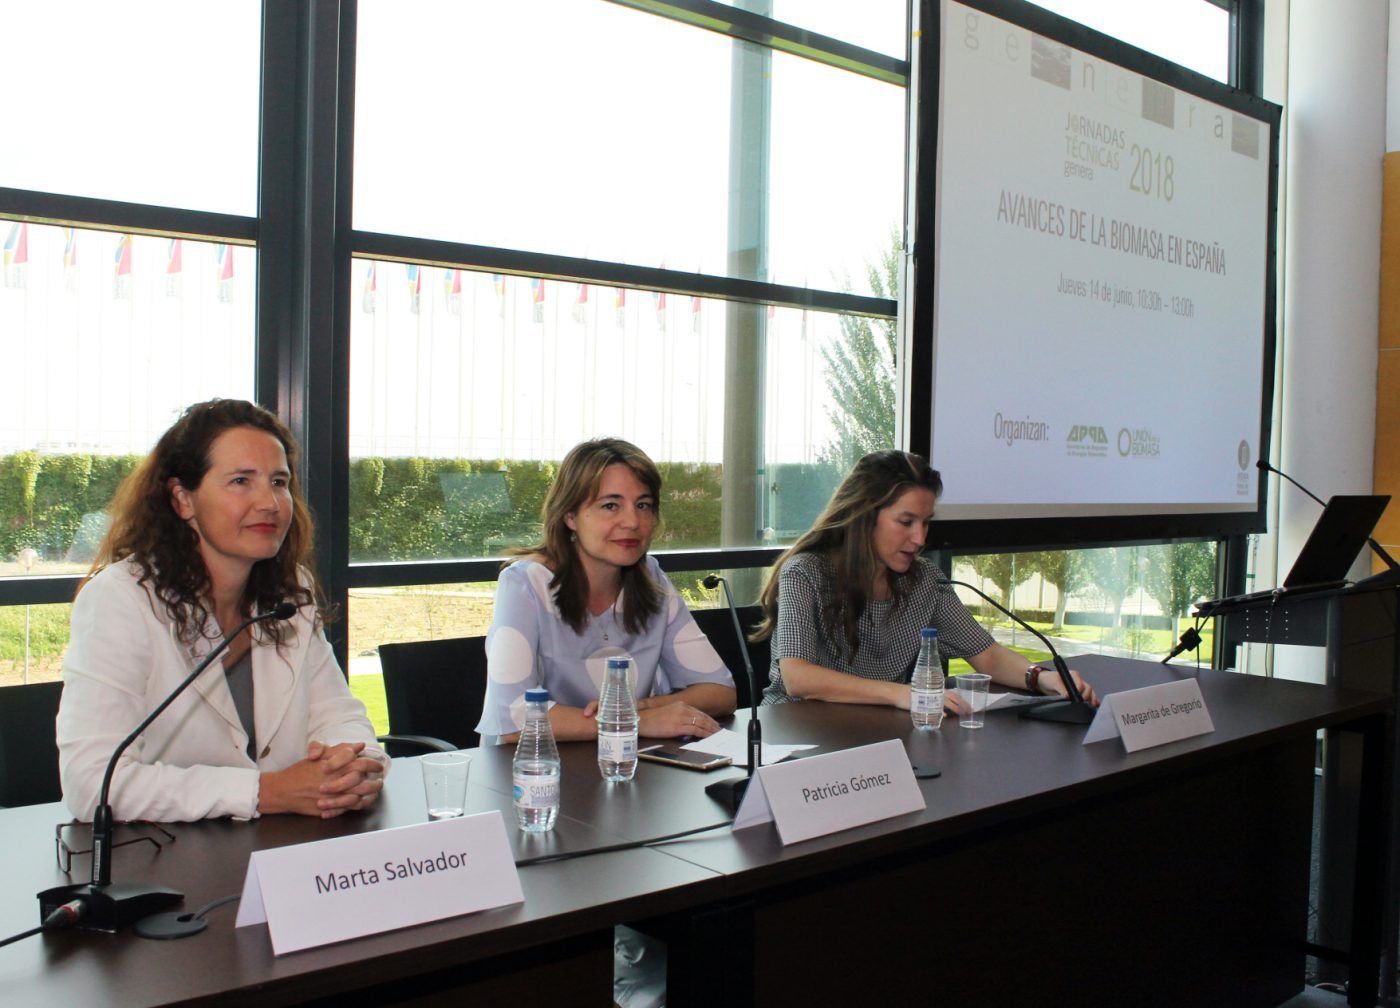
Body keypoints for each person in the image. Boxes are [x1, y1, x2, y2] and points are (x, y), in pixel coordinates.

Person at [57, 399, 387, 823]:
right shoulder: (120, 599)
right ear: (182, 499)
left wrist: (355, 768)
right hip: (167, 868)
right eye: (240, 481)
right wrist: (266, 792)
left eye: (279, 481)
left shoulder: (291, 591)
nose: (270, 502)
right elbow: (92, 785)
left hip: (286, 854)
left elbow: (339, 716)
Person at [754, 449, 1099, 712]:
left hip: (878, 730)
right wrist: (901, 693)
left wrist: (1042, 678)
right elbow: (798, 678)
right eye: (906, 522)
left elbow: (987, 655)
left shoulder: (924, 580)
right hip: (796, 734)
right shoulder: (806, 572)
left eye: (926, 522)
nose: (920, 539)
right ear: (863, 517)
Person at [477, 437, 736, 743]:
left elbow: (721, 691)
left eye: (643, 505)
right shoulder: (525, 583)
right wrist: (635, 721)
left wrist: (647, 707)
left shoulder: (651, 578)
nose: (632, 521)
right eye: (610, 505)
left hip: (628, 769)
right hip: (536, 775)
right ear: (570, 516)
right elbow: (513, 719)